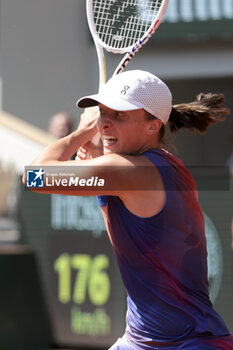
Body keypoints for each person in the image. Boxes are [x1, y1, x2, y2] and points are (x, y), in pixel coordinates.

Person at [23, 70, 233, 349]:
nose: (104, 124)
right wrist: (99, 170)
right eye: (102, 113)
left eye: (119, 115)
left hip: (188, 343)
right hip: (142, 340)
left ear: (153, 125)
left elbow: (35, 176)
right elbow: (129, 240)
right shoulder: (157, 167)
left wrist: (82, 132)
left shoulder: (133, 171)